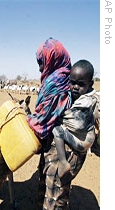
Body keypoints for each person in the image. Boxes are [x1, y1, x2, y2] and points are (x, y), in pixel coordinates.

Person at [26, 38, 98, 210]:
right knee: (48, 189)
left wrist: (27, 120)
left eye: (42, 62)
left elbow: (42, 120)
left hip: (65, 152)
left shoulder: (57, 83)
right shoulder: (67, 77)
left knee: (56, 193)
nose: (40, 67)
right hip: (55, 148)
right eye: (39, 62)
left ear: (53, 59)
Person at [52, 59, 97, 178]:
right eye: (72, 83)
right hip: (87, 138)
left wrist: (56, 117)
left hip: (82, 142)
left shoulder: (85, 103)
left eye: (81, 84)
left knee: (57, 130)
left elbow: (75, 124)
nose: (75, 87)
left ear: (90, 84)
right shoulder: (84, 96)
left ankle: (63, 162)